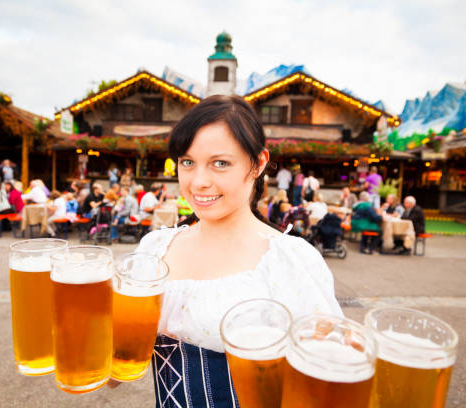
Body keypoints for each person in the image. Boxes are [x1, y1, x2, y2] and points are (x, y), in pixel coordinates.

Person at [119, 95, 341, 406]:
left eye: (220, 163)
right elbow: (119, 369)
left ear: (258, 164)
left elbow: (324, 385)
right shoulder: (154, 249)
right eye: (187, 162)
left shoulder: (290, 260)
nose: (199, 182)